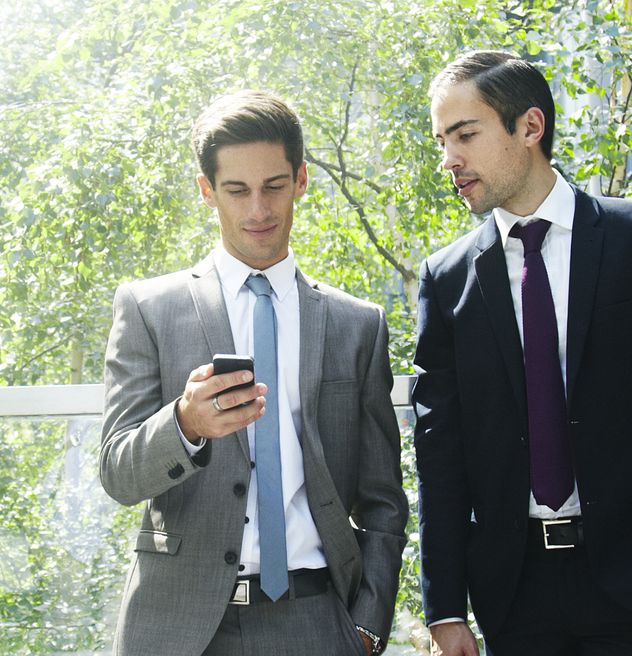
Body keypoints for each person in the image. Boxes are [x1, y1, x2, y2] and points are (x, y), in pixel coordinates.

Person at [409, 51, 632, 656]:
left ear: (530, 128)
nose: (448, 160)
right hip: (513, 593)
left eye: (465, 135)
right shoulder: (446, 278)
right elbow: (439, 450)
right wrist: (445, 607)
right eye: (441, 140)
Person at [99, 90, 407, 656]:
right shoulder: (149, 308)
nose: (259, 210)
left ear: (302, 180)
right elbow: (118, 474)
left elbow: (384, 499)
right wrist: (185, 425)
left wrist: (367, 623)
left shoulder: (356, 325)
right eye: (237, 190)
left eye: (274, 186)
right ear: (206, 190)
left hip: (318, 622)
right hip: (180, 630)